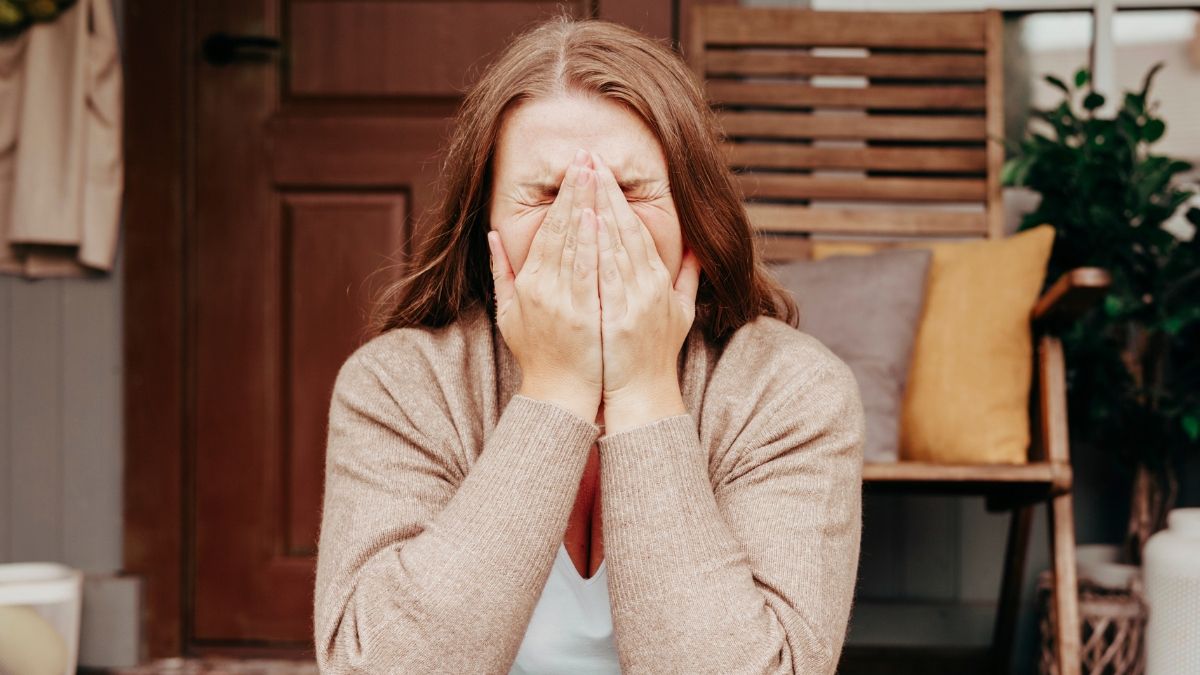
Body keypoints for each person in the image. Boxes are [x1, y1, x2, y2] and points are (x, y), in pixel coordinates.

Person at [312, 14, 865, 675]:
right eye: (547, 193)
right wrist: (555, 392)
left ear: (693, 210)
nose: (590, 223)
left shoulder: (790, 388)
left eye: (631, 190)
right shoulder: (398, 384)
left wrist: (643, 393)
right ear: (484, 219)